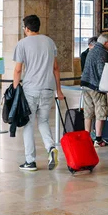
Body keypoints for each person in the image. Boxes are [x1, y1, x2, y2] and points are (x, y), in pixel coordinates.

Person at [13, 15, 63, 172]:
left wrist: (15, 90)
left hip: (30, 89)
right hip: (48, 88)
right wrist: (58, 90)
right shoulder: (49, 42)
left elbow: (18, 69)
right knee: (43, 121)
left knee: (28, 124)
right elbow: (55, 68)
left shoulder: (22, 44)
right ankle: (50, 148)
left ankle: (30, 161)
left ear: (27, 28)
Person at [81, 33, 108, 147]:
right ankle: (98, 139)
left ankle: (86, 137)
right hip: (96, 86)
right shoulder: (103, 53)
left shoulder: (91, 51)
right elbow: (102, 71)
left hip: (85, 84)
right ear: (105, 43)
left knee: (88, 112)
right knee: (101, 111)